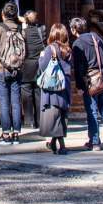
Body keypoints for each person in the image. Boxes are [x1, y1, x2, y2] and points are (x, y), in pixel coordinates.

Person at [70, 16, 103, 150]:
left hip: (91, 78)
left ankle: (95, 141)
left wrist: (79, 85)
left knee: (92, 110)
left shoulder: (78, 43)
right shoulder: (97, 38)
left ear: (74, 29)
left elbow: (79, 67)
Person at [0, 1, 25, 144]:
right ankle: (16, 134)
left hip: (0, 68)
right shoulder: (20, 29)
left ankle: (6, 134)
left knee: (3, 102)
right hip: (17, 69)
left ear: (3, 14)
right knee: (16, 101)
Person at [38, 23, 73, 154]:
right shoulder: (67, 50)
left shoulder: (50, 49)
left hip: (52, 87)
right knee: (61, 115)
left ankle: (62, 146)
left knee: (54, 117)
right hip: (64, 86)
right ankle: (53, 143)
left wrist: (41, 57)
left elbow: (42, 67)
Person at [20, 9, 46, 130]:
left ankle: (29, 121)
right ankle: (39, 121)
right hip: (39, 65)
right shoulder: (42, 31)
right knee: (38, 94)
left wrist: (23, 24)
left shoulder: (22, 32)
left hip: (26, 66)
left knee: (26, 94)